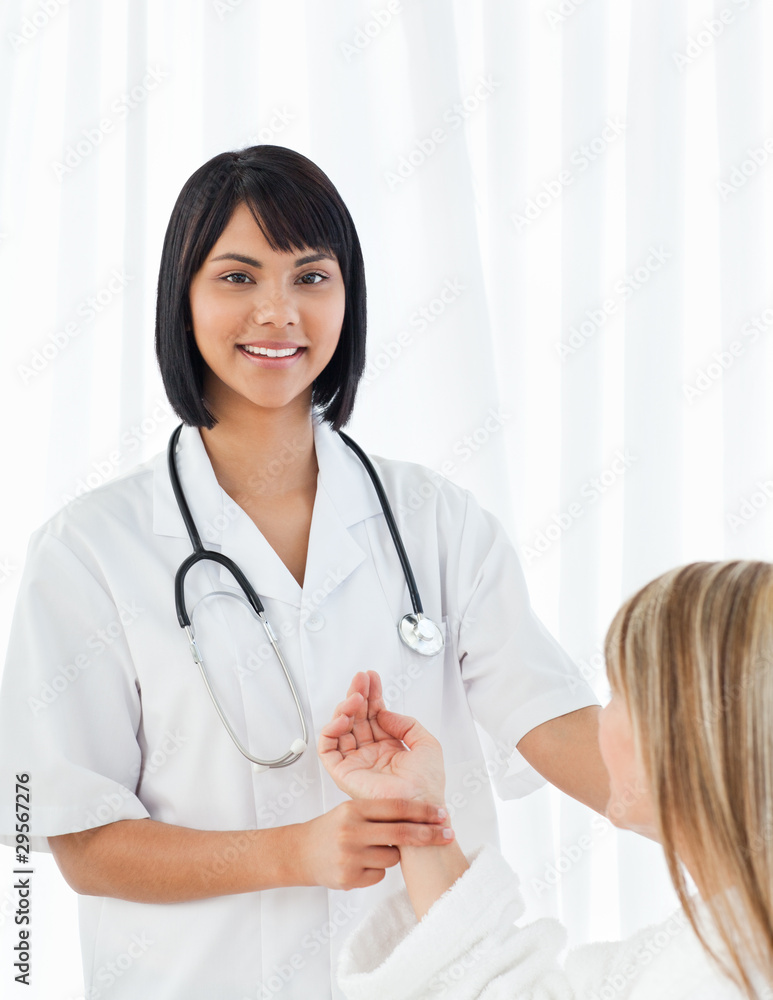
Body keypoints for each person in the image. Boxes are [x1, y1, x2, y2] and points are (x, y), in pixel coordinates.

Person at [0, 145, 607, 999]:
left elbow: (566, 731)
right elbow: (78, 842)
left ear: (347, 298)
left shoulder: (437, 523)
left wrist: (720, 799)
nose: (277, 313)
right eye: (238, 278)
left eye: (311, 278)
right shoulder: (91, 548)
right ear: (184, 296)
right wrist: (296, 852)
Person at [320, 561, 773, 1000]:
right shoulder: (713, 950)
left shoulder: (720, 975)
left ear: (697, 734)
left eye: (620, 694)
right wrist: (414, 805)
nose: (601, 722)